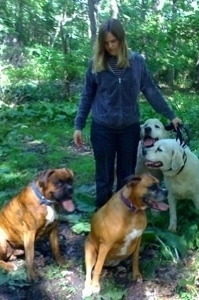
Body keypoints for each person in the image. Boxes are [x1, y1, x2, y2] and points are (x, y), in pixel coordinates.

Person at [73, 18, 182, 209]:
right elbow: (87, 96)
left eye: (113, 41)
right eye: (105, 43)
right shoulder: (95, 64)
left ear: (122, 40)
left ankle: (123, 215)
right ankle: (103, 215)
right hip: (102, 128)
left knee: (127, 176)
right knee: (104, 175)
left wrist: (170, 115)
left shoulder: (137, 62)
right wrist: (78, 125)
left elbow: (150, 91)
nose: (110, 46)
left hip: (129, 128)